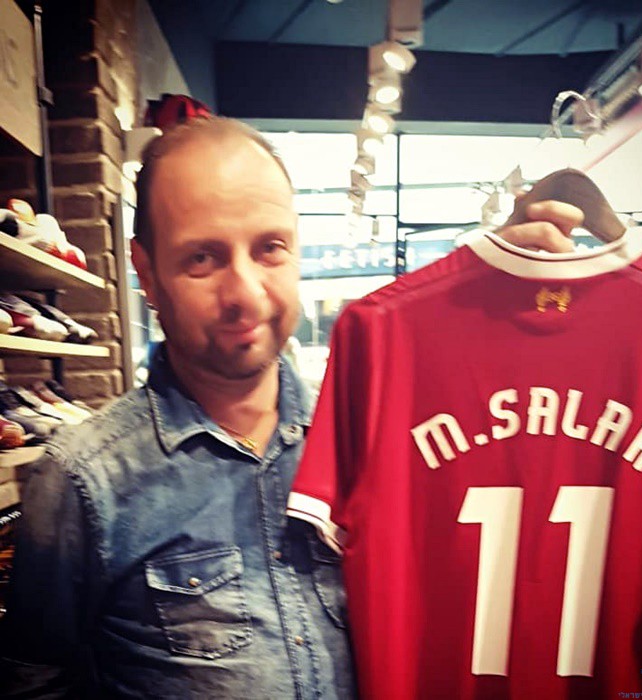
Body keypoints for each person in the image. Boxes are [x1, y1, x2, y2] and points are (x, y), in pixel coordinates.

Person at [0, 116, 584, 698]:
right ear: (147, 273)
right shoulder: (84, 480)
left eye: (270, 248)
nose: (246, 293)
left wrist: (501, 302)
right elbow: (34, 682)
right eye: (202, 258)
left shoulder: (376, 439)